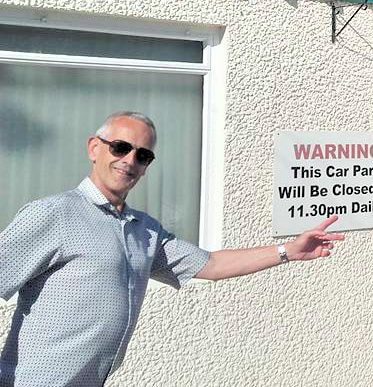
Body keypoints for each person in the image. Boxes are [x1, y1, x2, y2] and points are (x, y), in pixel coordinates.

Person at [0, 111, 344, 387]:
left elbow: (211, 265)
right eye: (120, 147)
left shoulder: (143, 230)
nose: (129, 160)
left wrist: (288, 251)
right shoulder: (54, 214)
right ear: (94, 148)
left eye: (143, 155)